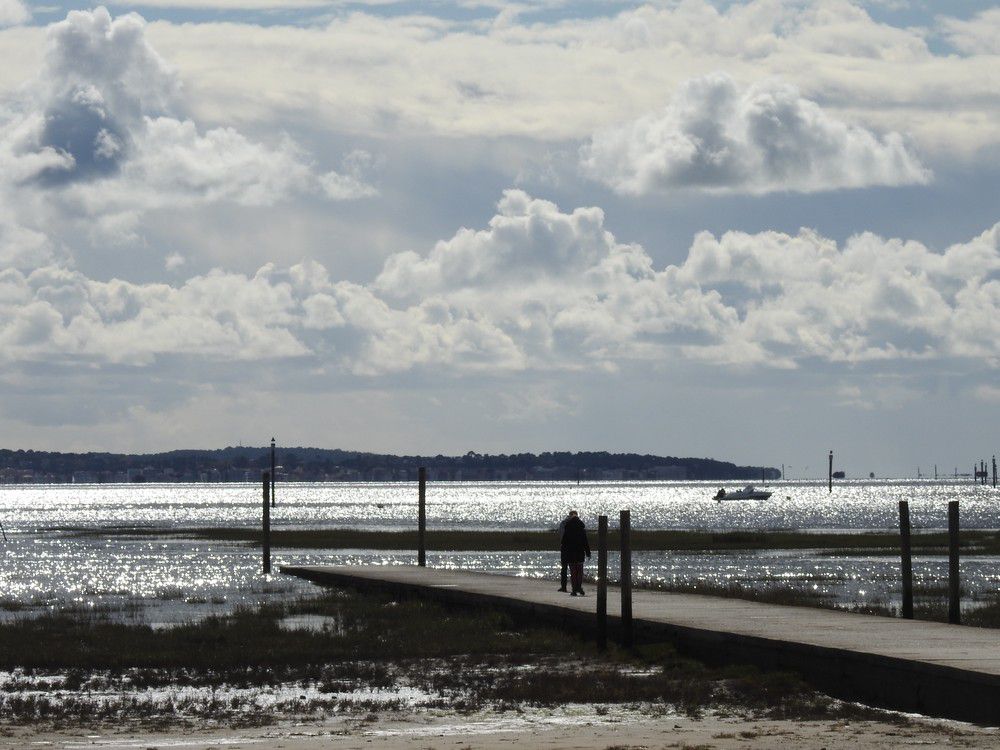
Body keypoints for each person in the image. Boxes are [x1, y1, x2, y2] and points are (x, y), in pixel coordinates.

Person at [560, 510, 591, 596]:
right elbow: (585, 542)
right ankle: (579, 587)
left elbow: (564, 542)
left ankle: (574, 589)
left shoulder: (567, 528)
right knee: (580, 571)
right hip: (580, 552)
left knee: (573, 571)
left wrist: (564, 553)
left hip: (570, 553)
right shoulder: (582, 529)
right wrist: (588, 552)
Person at [556, 511, 572, 592]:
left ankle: (563, 587)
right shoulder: (576, 523)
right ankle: (575, 587)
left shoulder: (563, 523)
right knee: (573, 568)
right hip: (573, 548)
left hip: (564, 547)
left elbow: (560, 534)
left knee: (564, 568)